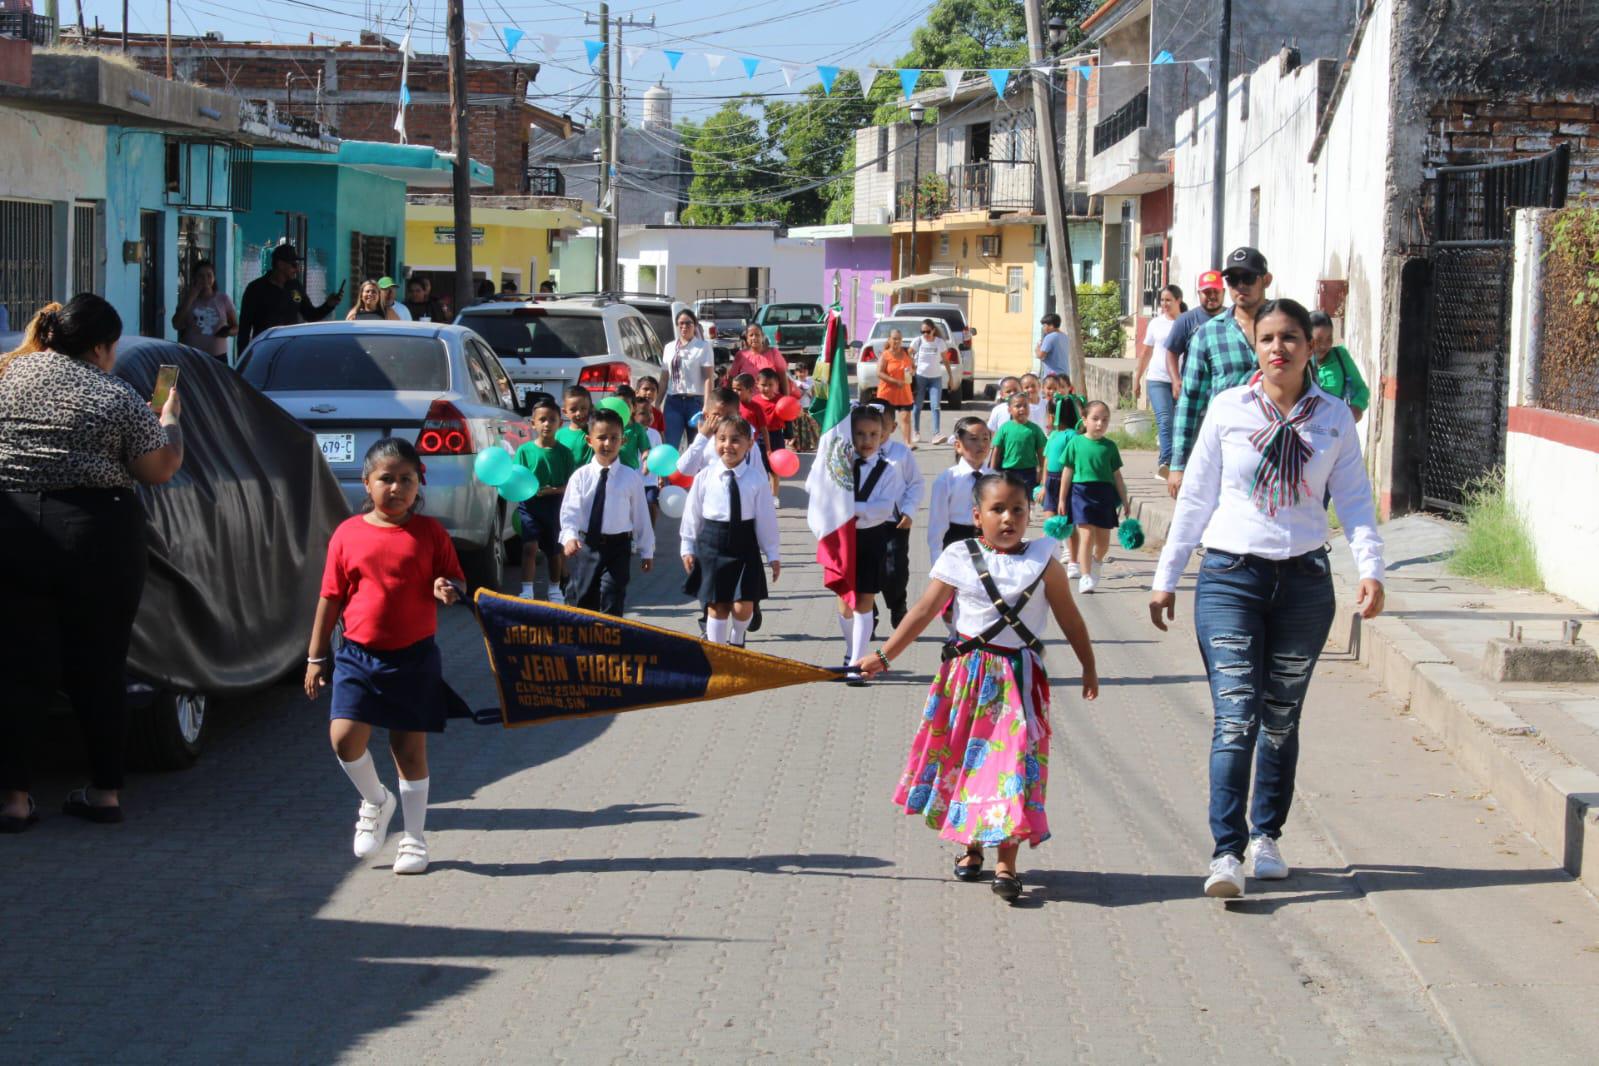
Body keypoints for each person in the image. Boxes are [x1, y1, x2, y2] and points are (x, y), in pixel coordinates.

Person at [1148, 297, 1386, 899]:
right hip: (1231, 578)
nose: (1277, 348)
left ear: (1312, 347)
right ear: (1255, 348)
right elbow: (1196, 498)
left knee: (1280, 718)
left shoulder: (1333, 418)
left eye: (1289, 338)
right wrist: (1166, 576)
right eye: (1266, 339)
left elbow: (1355, 501)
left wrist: (1372, 568)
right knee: (1236, 718)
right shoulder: (1229, 410)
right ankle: (1225, 853)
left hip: (1305, 585)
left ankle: (1266, 838)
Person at [857, 471, 1098, 903]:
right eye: (998, 509)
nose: (1009, 518)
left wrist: (1088, 664)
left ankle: (1007, 862)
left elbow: (1069, 616)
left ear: (1030, 515)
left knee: (1013, 767)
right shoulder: (959, 557)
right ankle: (971, 845)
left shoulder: (1044, 560)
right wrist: (885, 655)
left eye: (1018, 510)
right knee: (966, 762)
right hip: (966, 680)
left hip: (1020, 681)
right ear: (976, 515)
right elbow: (925, 611)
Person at [0, 295, 185, 831]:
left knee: (17, 669)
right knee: (100, 666)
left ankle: (13, 799)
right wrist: (169, 417)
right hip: (96, 536)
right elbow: (158, 470)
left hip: (11, 528)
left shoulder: (7, 378)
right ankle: (104, 792)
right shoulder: (117, 395)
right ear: (103, 347)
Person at [303, 437, 462, 876]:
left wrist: (446, 587)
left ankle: (414, 837)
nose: (396, 488)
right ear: (366, 483)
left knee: (407, 750)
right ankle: (376, 799)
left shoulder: (430, 533)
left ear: (418, 484)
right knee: (344, 737)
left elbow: (454, 579)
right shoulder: (348, 534)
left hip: (414, 658)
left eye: (406, 479)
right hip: (357, 656)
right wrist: (317, 658)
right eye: (386, 479)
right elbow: (330, 598)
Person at [1169, 247, 1274, 499]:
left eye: (1248, 278)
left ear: (1266, 280)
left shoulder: (1287, 326)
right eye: (1232, 280)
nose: (1240, 286)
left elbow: (1308, 387)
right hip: (1226, 452)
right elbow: (1190, 401)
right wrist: (1178, 464)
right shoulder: (1208, 334)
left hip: (1277, 451)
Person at [823, 405, 911, 683]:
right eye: (860, 434)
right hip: (843, 540)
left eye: (874, 434)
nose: (867, 440)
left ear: (883, 434)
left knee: (864, 599)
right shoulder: (839, 464)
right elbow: (824, 494)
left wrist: (850, 507)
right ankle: (851, 650)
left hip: (872, 538)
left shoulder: (888, 469)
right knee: (844, 599)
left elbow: (883, 509)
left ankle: (858, 662)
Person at [679, 416, 781, 647]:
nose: (728, 445)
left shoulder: (756, 479)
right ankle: (718, 654)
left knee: (743, 606)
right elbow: (692, 514)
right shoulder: (705, 476)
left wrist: (772, 554)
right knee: (717, 605)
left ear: (750, 444)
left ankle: (737, 639)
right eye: (722, 439)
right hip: (712, 544)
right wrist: (687, 546)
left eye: (736, 440)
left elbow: (766, 519)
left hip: (745, 545)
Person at [559, 408, 655, 616]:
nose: (608, 444)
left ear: (624, 441)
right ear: (589, 440)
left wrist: (646, 549)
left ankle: (610, 646)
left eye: (614, 438)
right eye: (601, 438)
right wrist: (569, 536)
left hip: (618, 547)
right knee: (584, 599)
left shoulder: (630, 478)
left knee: (613, 595)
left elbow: (640, 515)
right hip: (586, 546)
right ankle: (585, 646)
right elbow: (570, 511)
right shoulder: (581, 476)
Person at [1058, 401, 1128, 595]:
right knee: (1086, 535)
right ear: (1084, 420)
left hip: (1104, 494)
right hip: (1081, 492)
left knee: (1104, 543)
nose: (1100, 424)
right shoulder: (1076, 442)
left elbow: (1117, 476)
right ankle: (1086, 575)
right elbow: (1067, 471)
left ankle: (1096, 562)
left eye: (1105, 420)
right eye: (1095, 419)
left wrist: (1124, 499)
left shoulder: (1110, 447)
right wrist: (1062, 499)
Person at [513, 401, 575, 605]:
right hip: (530, 506)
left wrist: (553, 490)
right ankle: (527, 589)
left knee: (554, 551)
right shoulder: (524, 451)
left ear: (560, 423)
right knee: (529, 547)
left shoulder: (565, 453)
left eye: (552, 419)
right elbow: (516, 478)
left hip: (555, 506)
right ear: (533, 423)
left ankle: (555, 588)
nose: (547, 424)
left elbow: (571, 485)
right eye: (542, 419)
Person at [237, 243, 343, 351]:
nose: (297, 269)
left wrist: (329, 305)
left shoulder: (295, 287)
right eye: (293, 265)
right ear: (280, 264)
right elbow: (244, 329)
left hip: (290, 351)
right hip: (264, 351)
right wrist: (243, 361)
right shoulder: (256, 289)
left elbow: (310, 315)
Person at [877, 404, 926, 630]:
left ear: (893, 426)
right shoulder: (855, 452)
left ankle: (898, 604)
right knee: (867, 569)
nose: (876, 431)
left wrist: (909, 511)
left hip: (895, 522)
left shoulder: (900, 453)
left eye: (882, 424)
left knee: (895, 569)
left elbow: (915, 484)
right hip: (863, 525)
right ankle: (869, 613)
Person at [1136, 284, 1185, 478]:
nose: (1164, 304)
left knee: (1180, 422)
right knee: (1165, 420)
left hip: (1181, 381)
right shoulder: (1156, 324)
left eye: (1168, 300)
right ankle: (1166, 462)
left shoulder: (1186, 322)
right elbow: (1146, 352)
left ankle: (1180, 461)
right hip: (1157, 379)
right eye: (1162, 300)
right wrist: (1137, 377)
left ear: (1178, 301)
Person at [925, 416, 992, 556]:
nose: (981, 444)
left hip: (989, 540)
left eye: (985, 438)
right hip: (956, 541)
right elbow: (937, 525)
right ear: (958, 446)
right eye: (973, 439)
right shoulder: (947, 480)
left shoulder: (996, 479)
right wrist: (937, 559)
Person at [661, 308, 716, 451]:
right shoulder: (669, 347)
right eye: (681, 324)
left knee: (697, 446)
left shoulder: (703, 347)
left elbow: (708, 378)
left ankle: (696, 474)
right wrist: (656, 403)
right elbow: (664, 377)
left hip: (695, 403)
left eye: (688, 323)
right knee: (669, 446)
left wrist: (707, 405)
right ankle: (668, 473)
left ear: (695, 325)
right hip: (673, 401)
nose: (684, 327)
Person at [1308, 311, 1370, 422]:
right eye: (1318, 340)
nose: (1324, 345)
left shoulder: (1340, 356)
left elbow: (1361, 389)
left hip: (1335, 429)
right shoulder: (1300, 361)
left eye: (1329, 339)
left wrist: (1356, 408)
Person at [1162, 271, 1226, 377]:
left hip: (1226, 388)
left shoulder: (1233, 318)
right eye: (1207, 292)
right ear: (1199, 294)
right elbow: (1172, 353)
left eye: (1216, 291)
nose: (1212, 296)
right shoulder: (1186, 320)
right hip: (1195, 387)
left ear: (1223, 292)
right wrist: (1175, 380)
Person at [986, 393, 1046, 502]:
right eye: (1018, 406)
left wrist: (1041, 472)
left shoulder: (1035, 429)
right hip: (1008, 471)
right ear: (1009, 410)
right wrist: (992, 472)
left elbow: (1041, 453)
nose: (1022, 409)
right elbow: (996, 452)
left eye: (1025, 405)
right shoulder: (1005, 428)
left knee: (1026, 499)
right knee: (1008, 498)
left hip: (1029, 472)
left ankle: (1026, 517)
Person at [172, 259, 237, 359]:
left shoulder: (223, 299)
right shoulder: (187, 299)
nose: (205, 280)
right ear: (194, 278)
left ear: (214, 278)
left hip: (218, 357)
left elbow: (236, 327)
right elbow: (176, 324)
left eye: (209, 275)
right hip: (192, 356)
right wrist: (191, 298)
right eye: (201, 276)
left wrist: (227, 332)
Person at [910, 318, 955, 445]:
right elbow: (909, 354)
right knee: (917, 406)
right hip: (920, 377)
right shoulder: (918, 342)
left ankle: (936, 434)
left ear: (933, 330)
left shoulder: (939, 343)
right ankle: (916, 432)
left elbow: (946, 360)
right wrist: (912, 366)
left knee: (935, 406)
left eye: (927, 331)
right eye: (922, 331)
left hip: (935, 378)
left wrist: (951, 378)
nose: (925, 334)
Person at [874, 328, 916, 448]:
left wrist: (912, 372)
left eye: (899, 339)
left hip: (904, 392)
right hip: (887, 393)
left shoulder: (906, 353)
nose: (896, 341)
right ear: (889, 340)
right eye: (894, 339)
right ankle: (881, 442)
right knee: (886, 419)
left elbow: (913, 367)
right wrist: (894, 381)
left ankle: (908, 443)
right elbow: (879, 373)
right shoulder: (885, 355)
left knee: (905, 417)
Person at [725, 324, 792, 397]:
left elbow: (783, 376)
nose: (754, 338)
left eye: (757, 335)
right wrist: (728, 399)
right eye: (751, 335)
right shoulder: (741, 355)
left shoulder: (773, 353)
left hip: (771, 400)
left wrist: (786, 398)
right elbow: (731, 378)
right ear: (747, 338)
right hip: (748, 401)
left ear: (762, 336)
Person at [557, 385, 594, 467]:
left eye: (583, 408)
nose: (579, 413)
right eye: (573, 409)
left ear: (590, 408)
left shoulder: (595, 432)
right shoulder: (559, 435)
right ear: (565, 412)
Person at [1036, 312, 1070, 378]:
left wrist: (1038, 347)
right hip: (1065, 374)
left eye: (1044, 325)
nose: (1043, 328)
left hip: (1053, 376)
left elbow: (1040, 356)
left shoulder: (1050, 337)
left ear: (1051, 325)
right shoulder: (1065, 336)